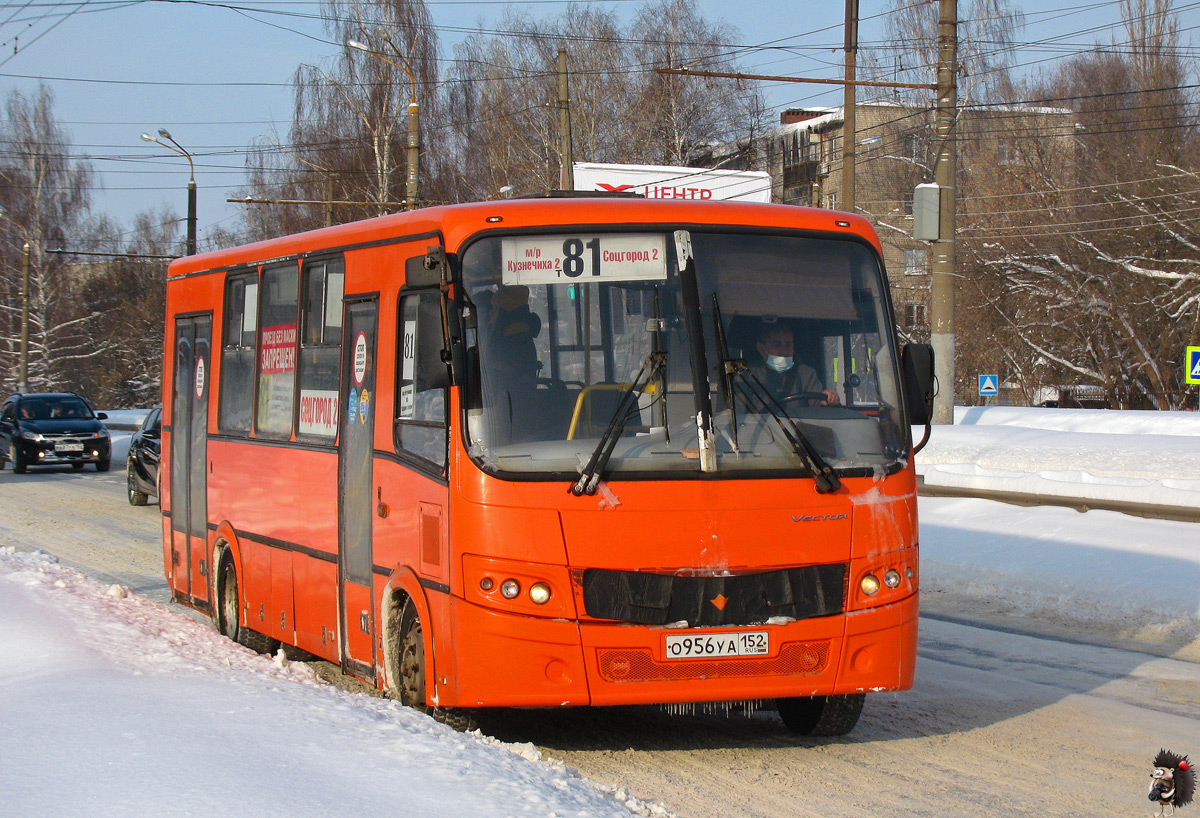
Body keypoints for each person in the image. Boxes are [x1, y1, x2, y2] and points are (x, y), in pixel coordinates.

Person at [752, 322, 840, 406]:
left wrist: (828, 399)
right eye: (777, 345)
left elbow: (818, 403)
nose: (784, 351)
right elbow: (740, 415)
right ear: (761, 349)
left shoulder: (806, 374)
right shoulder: (748, 376)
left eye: (788, 345)